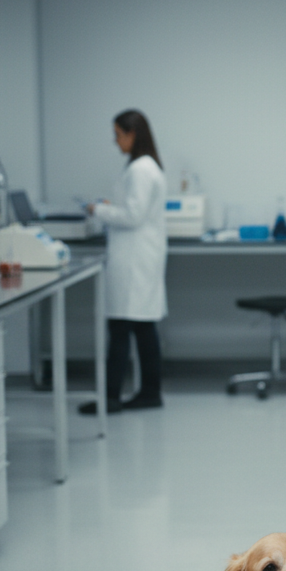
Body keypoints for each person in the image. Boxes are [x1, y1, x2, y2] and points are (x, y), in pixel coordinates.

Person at [79, 109, 167, 415]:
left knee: (121, 328)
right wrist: (110, 208)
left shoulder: (141, 169)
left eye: (118, 135)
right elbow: (134, 210)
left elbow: (133, 215)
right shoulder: (146, 166)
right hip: (141, 256)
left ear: (133, 134)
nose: (116, 142)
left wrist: (97, 210)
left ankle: (112, 398)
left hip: (134, 259)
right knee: (141, 328)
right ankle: (149, 393)